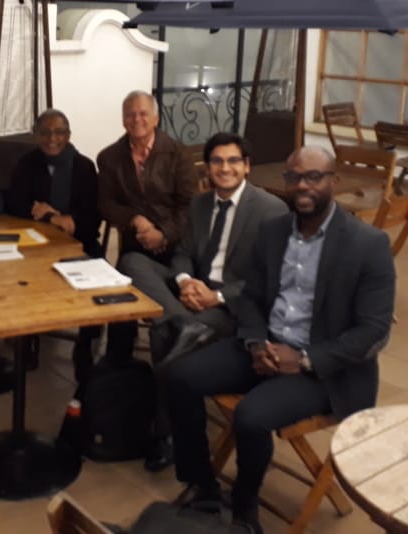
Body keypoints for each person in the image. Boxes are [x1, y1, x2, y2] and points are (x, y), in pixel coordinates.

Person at [164, 146, 396, 533]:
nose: (303, 185)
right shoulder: (273, 232)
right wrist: (256, 344)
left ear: (333, 181)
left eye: (314, 177)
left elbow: (374, 332)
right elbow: (252, 297)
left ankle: (245, 512)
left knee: (251, 417)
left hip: (324, 369)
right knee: (178, 377)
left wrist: (304, 359)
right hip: (266, 345)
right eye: (294, 177)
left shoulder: (367, 244)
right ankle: (203, 486)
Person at [119, 132, 287, 471]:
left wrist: (217, 296)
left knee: (161, 334)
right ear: (207, 167)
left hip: (231, 306)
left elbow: (269, 278)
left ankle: (165, 433)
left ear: (247, 166)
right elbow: (182, 253)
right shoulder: (200, 204)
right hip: (193, 290)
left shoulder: (271, 210)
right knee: (132, 262)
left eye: (233, 161)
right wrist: (185, 282)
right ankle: (181, 322)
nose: (225, 168)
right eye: (217, 161)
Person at [97, 91, 196, 361]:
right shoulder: (109, 157)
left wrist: (163, 234)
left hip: (177, 246)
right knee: (121, 288)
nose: (137, 119)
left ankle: (171, 347)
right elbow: (105, 204)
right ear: (123, 120)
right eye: (130, 114)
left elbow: (189, 206)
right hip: (135, 244)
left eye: (143, 113)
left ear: (156, 118)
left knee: (135, 278)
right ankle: (118, 364)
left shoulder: (178, 155)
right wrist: (135, 219)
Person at [5, 109, 101, 257]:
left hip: (79, 243)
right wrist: (51, 217)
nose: (52, 138)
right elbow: (13, 203)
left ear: (68, 135)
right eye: (45, 132)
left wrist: (60, 218)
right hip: (35, 243)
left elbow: (91, 217)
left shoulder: (84, 167)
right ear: (36, 135)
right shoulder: (27, 163)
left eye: (59, 132)